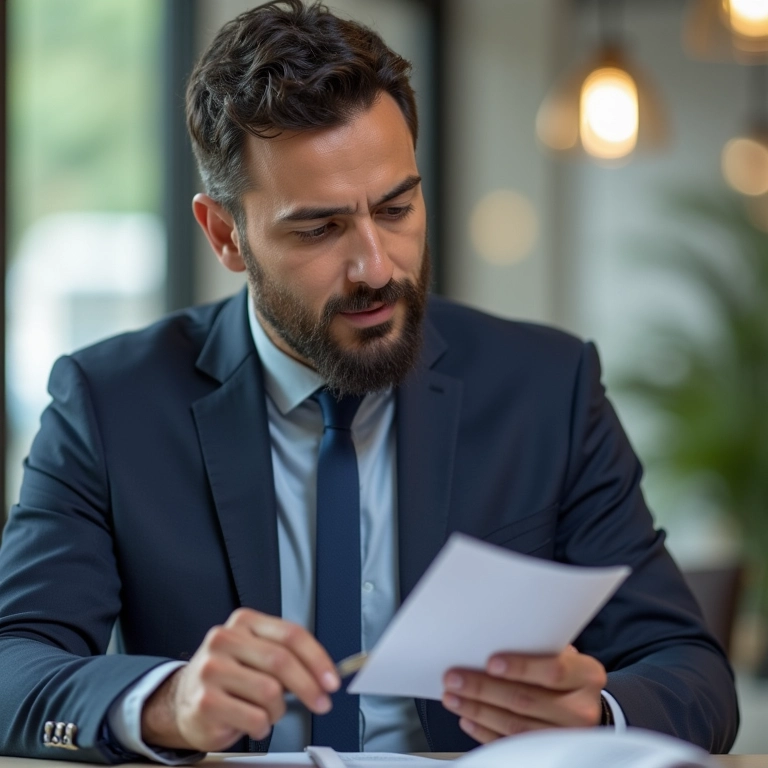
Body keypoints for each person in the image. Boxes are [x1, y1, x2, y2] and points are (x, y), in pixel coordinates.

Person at [0, 0, 738, 763]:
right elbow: (11, 665)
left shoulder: (548, 387)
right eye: (319, 228)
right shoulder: (108, 403)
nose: (377, 267)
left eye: (396, 208)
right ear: (226, 235)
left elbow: (695, 674)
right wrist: (166, 701)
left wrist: (599, 714)